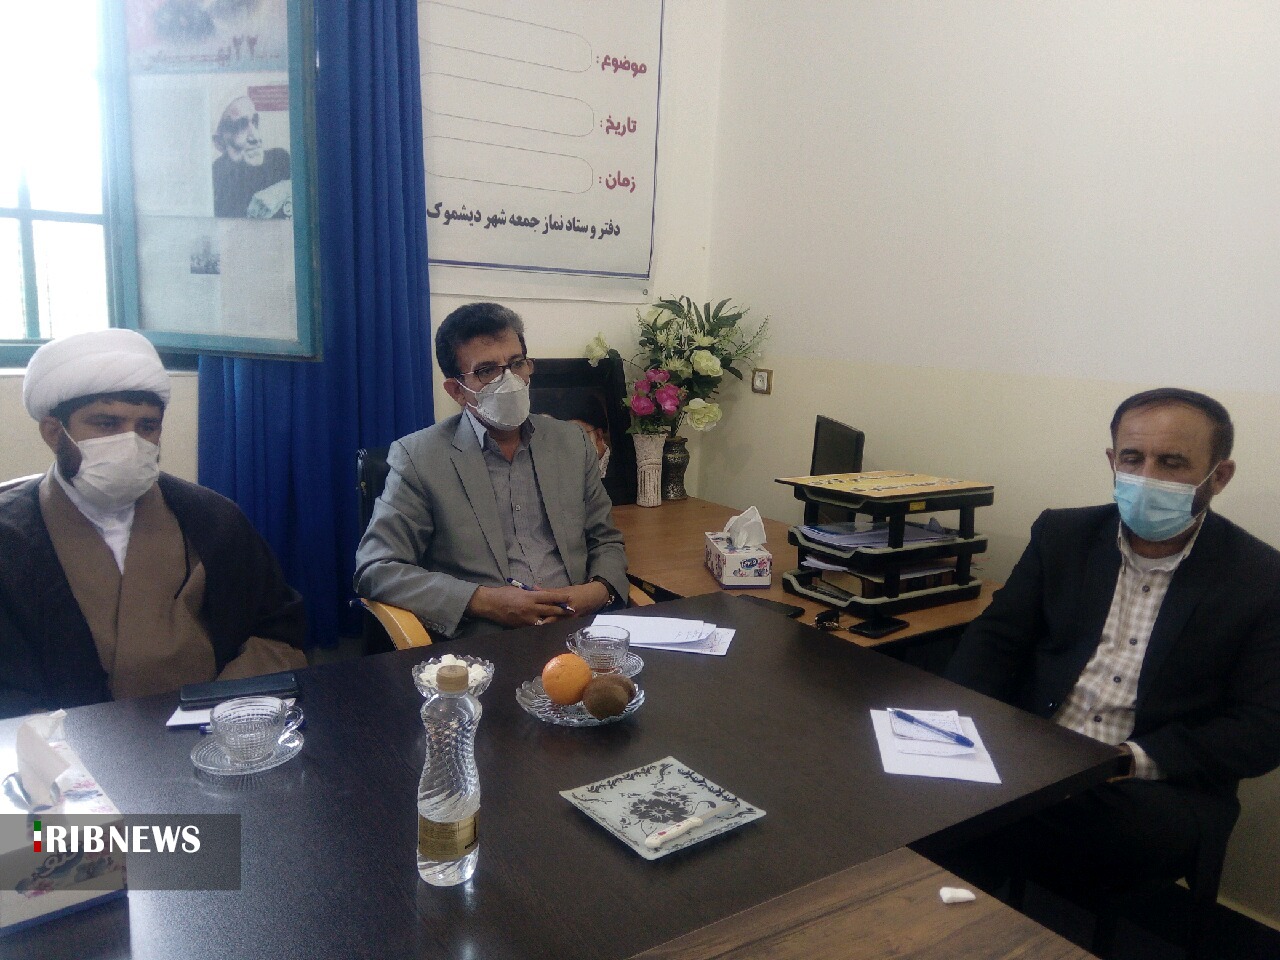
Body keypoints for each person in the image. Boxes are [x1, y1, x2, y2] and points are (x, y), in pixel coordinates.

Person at [944, 388, 1280, 894]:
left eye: (1172, 462)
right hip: (1035, 749)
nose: (1147, 476)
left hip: (1152, 781)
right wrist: (957, 725)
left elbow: (1263, 728)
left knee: (1025, 815)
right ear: (1112, 460)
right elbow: (996, 640)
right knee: (951, 783)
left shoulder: (1261, 578)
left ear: (1219, 476)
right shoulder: (1063, 534)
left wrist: (1126, 759)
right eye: (1132, 458)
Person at [0, 329, 307, 719]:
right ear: (53, 431)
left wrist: (221, 711)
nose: (130, 442)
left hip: (217, 727)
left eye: (147, 426)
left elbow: (276, 629)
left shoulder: (213, 518)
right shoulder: (9, 540)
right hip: (73, 746)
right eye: (106, 424)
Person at [355, 302, 629, 639]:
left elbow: (606, 539)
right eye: (487, 370)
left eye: (516, 363)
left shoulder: (572, 442)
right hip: (485, 641)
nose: (508, 380)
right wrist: (483, 602)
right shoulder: (419, 458)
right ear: (457, 390)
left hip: (582, 629)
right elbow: (377, 569)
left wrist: (598, 591)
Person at [211, 95, 292, 219]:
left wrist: (283, 189)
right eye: (240, 125)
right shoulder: (215, 176)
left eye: (254, 121)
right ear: (219, 141)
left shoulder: (279, 159)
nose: (256, 137)